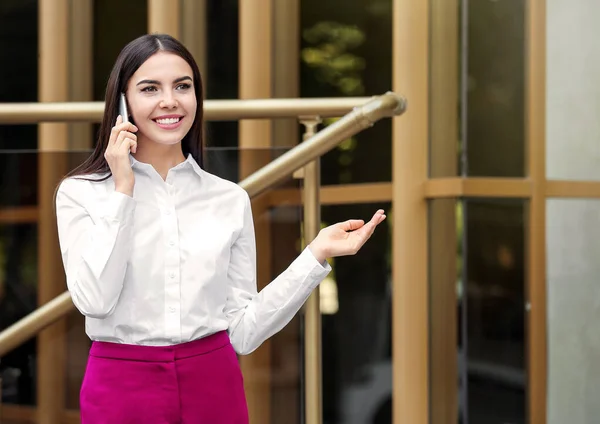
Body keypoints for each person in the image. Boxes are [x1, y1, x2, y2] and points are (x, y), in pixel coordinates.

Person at [55, 33, 386, 424]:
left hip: (213, 384)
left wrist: (315, 255)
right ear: (122, 103)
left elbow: (243, 332)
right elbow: (94, 301)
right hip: (121, 386)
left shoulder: (228, 199)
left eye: (183, 86)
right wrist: (123, 189)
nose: (170, 101)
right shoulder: (81, 194)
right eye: (150, 88)